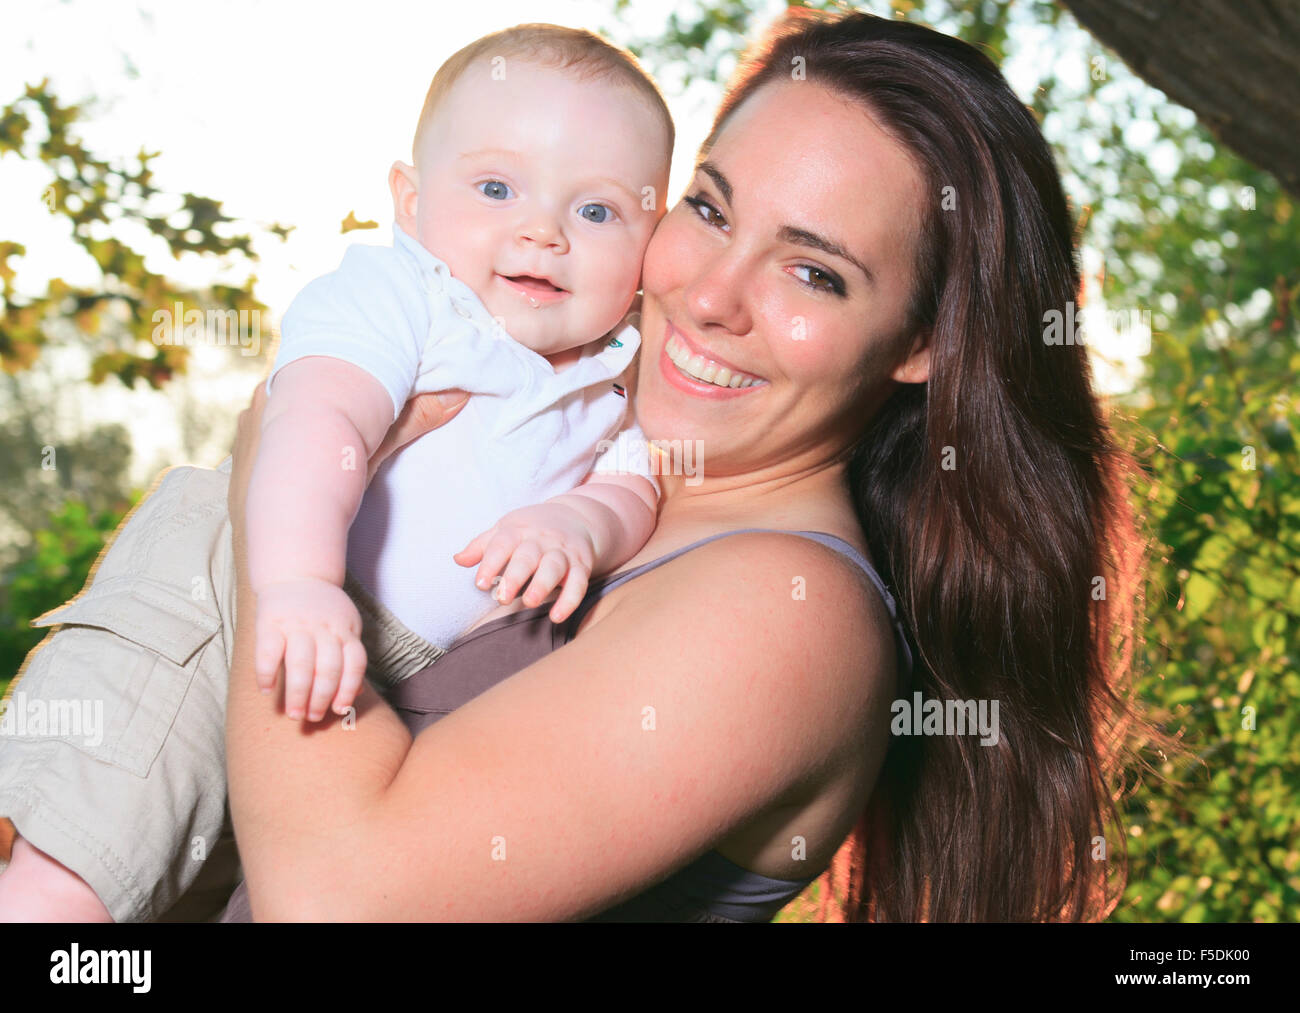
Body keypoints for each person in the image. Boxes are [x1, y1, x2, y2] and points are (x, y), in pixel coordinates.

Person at [216, 8, 1148, 922]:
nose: (707, 295)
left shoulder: (787, 613)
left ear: (926, 342)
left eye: (814, 272)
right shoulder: (570, 438)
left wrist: (277, 454)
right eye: (709, 209)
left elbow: (330, 898)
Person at [0, 24, 675, 921]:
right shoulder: (406, 296)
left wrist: (582, 524)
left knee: (184, 894)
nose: (542, 230)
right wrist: (297, 580)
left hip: (359, 686)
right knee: (81, 867)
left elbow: (636, 482)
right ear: (410, 199)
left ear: (651, 247)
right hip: (224, 605)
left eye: (596, 212)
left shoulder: (611, 374)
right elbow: (318, 422)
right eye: (495, 186)